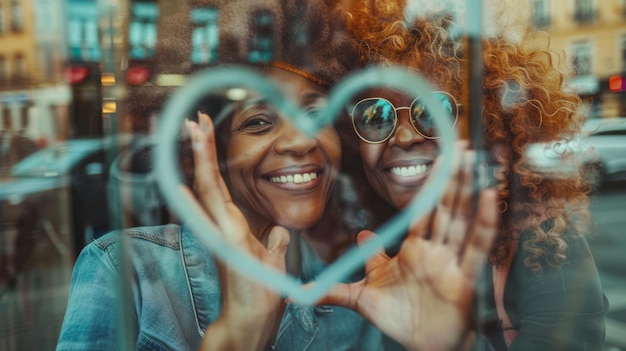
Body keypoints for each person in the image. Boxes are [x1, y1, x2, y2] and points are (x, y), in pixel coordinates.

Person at [58, 0, 499, 350]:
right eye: (258, 122)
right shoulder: (124, 270)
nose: (299, 141)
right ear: (203, 149)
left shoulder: (361, 281)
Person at [316, 0, 608, 350]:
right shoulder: (369, 247)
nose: (405, 136)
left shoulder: (544, 241)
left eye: (435, 110)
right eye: (376, 116)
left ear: (488, 130)